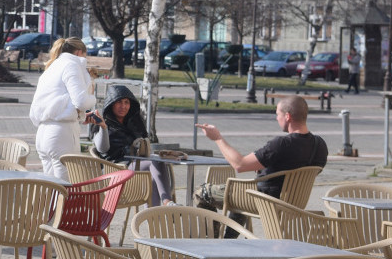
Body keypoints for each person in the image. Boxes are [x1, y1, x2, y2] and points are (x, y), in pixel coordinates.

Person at [193, 96, 328, 228]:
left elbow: (240, 164)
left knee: (202, 192)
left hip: (264, 201)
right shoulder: (320, 145)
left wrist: (217, 138)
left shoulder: (282, 144)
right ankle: (229, 238)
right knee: (243, 194)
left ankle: (213, 236)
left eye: (278, 114)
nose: (277, 118)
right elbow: (297, 170)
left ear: (287, 116)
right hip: (294, 203)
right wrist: (267, 169)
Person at [90, 84, 175, 205]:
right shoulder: (101, 123)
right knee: (154, 163)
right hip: (115, 171)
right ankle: (167, 202)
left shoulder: (133, 123)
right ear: (111, 104)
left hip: (134, 166)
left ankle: (154, 214)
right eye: (119, 102)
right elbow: (102, 148)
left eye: (126, 102)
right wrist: (103, 127)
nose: (123, 106)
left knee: (156, 164)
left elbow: (144, 146)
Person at [29, 37, 97, 181]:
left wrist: (79, 115)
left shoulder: (52, 66)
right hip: (62, 133)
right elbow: (81, 101)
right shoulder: (72, 65)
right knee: (64, 185)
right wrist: (93, 98)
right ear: (79, 52)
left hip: (43, 132)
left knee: (50, 186)